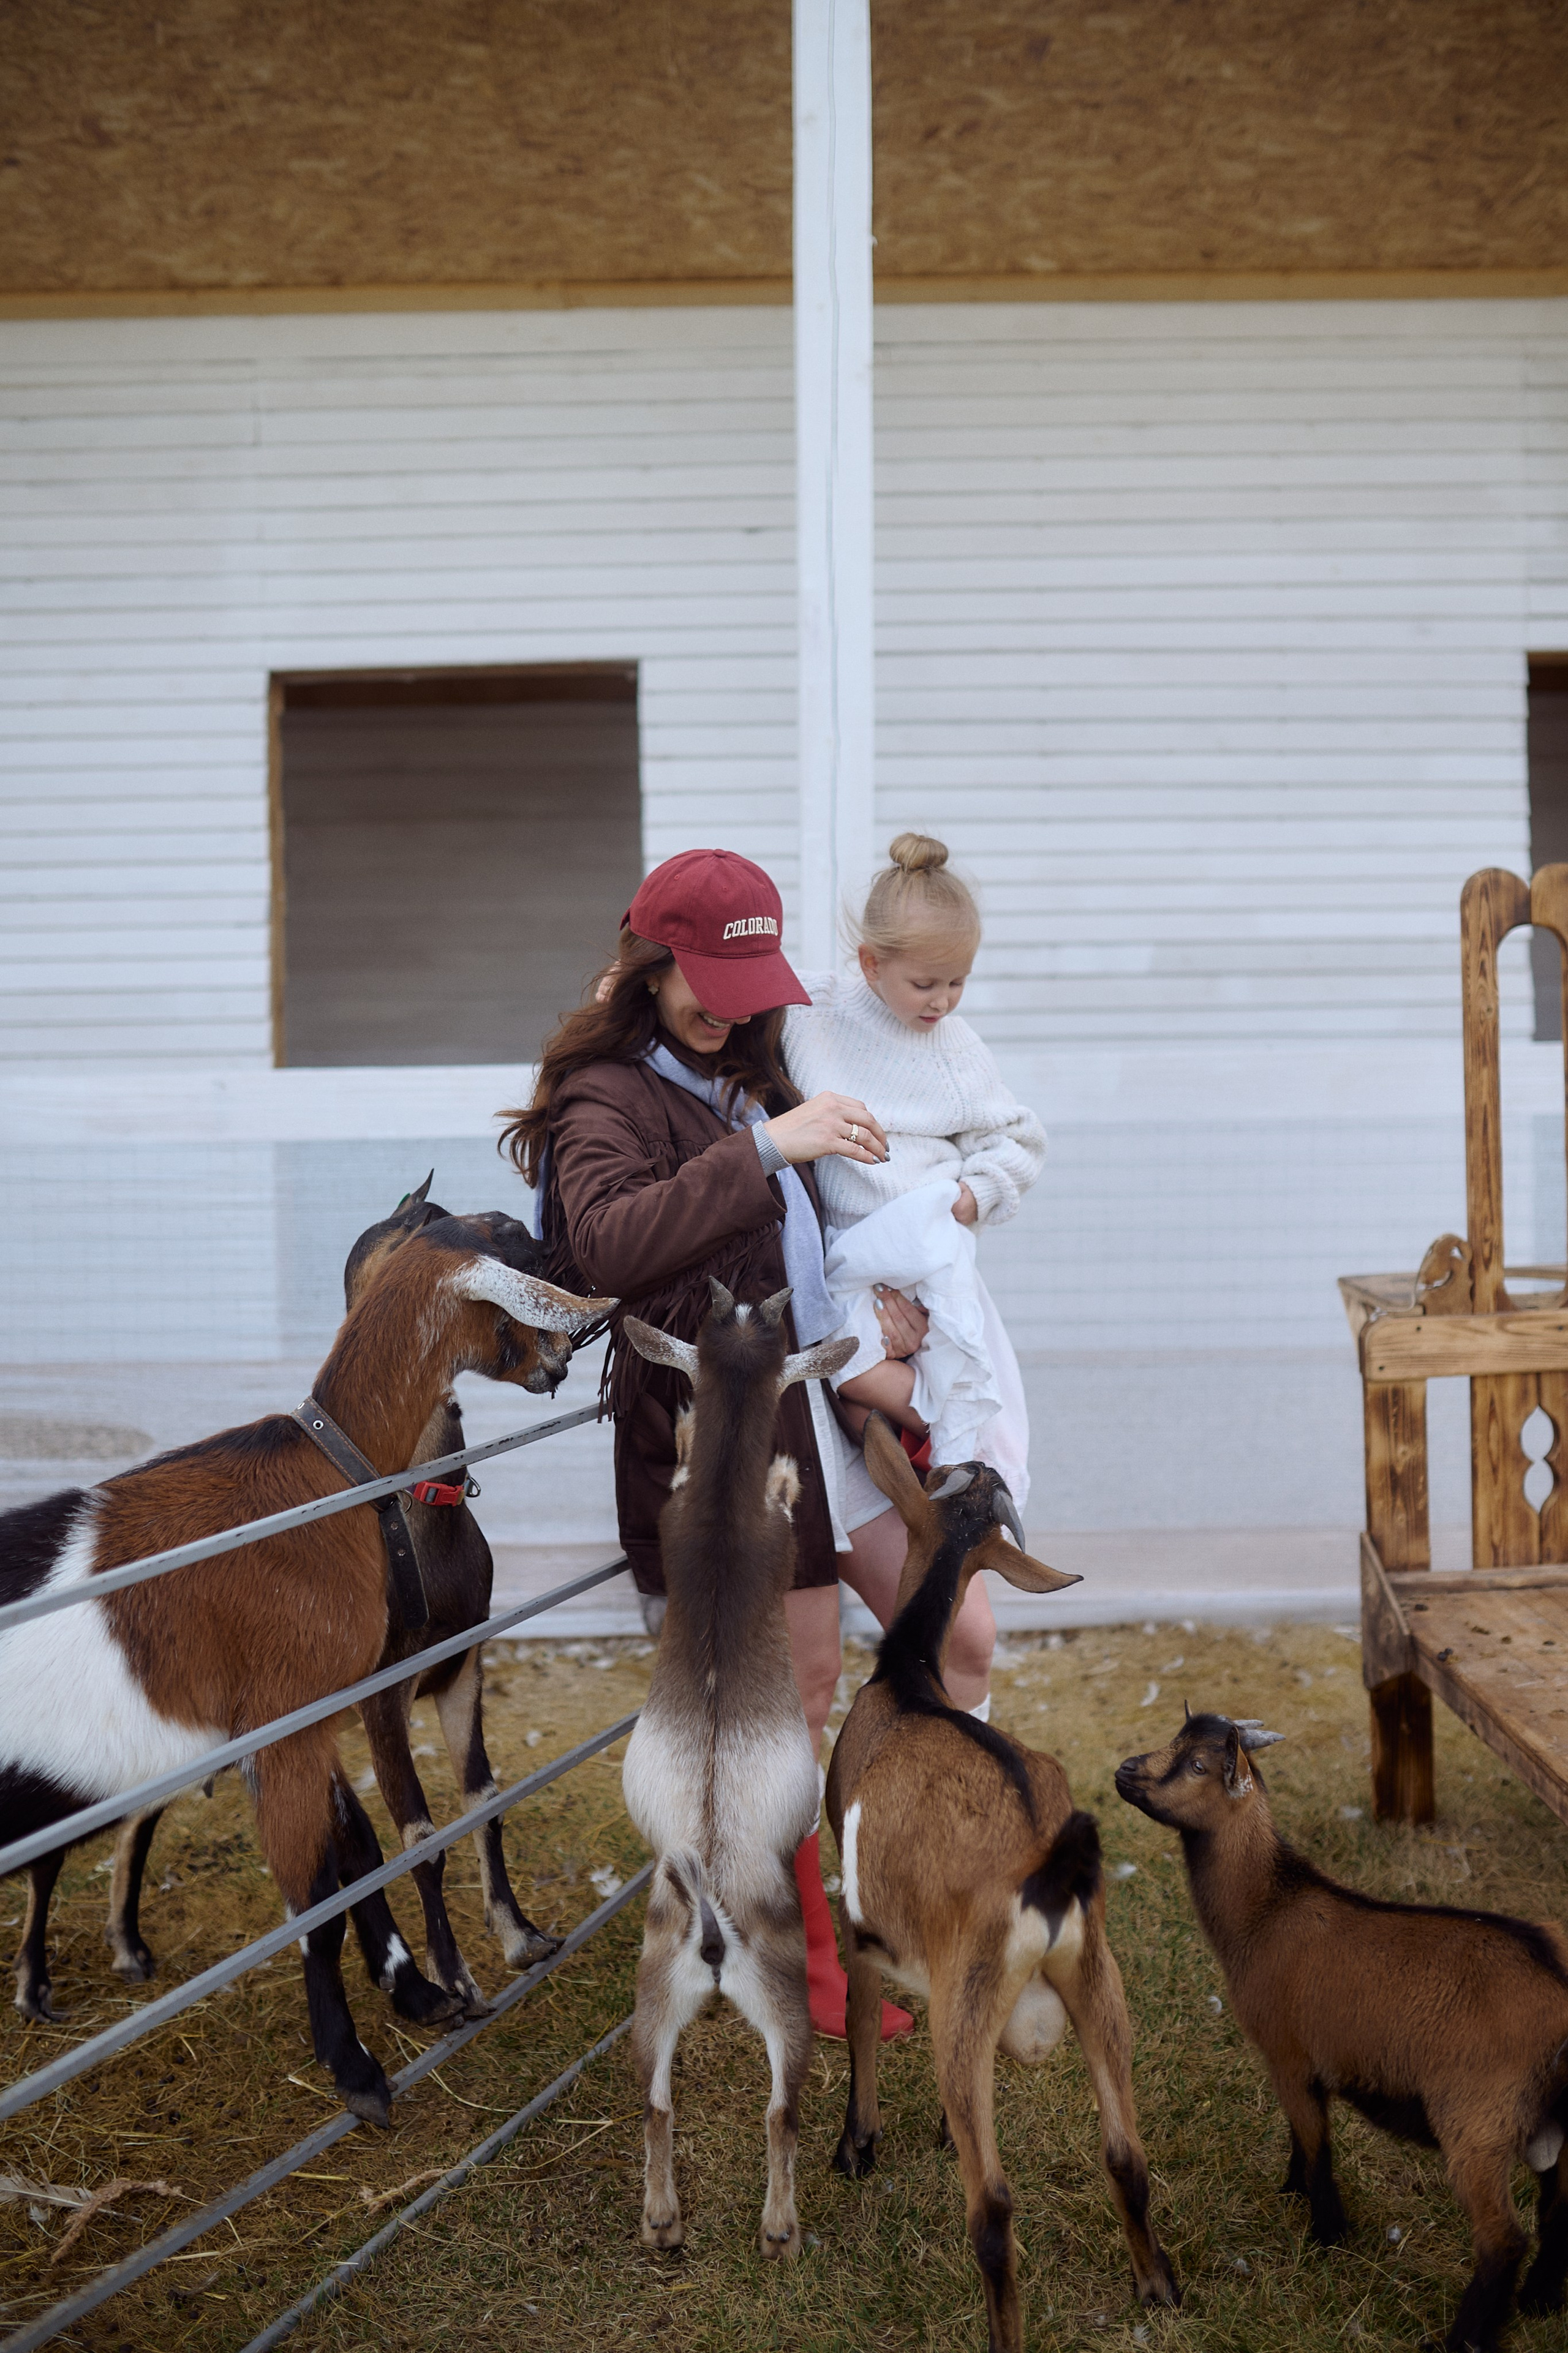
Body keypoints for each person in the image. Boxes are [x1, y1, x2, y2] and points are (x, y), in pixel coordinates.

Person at [503, 846, 962, 2039]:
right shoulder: (607, 1096)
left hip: (821, 1407)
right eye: (701, 975)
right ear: (648, 965)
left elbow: (802, 1247)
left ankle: (891, 1914)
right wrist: (764, 1149)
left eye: (742, 975)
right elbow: (603, 1249)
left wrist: (870, 1323)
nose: (723, 1001)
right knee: (792, 1696)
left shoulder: (749, 1063)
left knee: (950, 1630)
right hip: (714, 1435)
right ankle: (805, 1965)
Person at [785, 832, 1047, 1511]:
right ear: (870, 964)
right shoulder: (809, 1011)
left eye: (958, 982)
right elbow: (744, 987)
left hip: (928, 1242)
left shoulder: (957, 1051)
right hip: (844, 1247)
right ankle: (955, 1433)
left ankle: (967, 1455)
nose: (943, 1002)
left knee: (946, 1358)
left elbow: (1018, 1140)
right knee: (849, 1375)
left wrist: (974, 1194)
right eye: (925, 983)